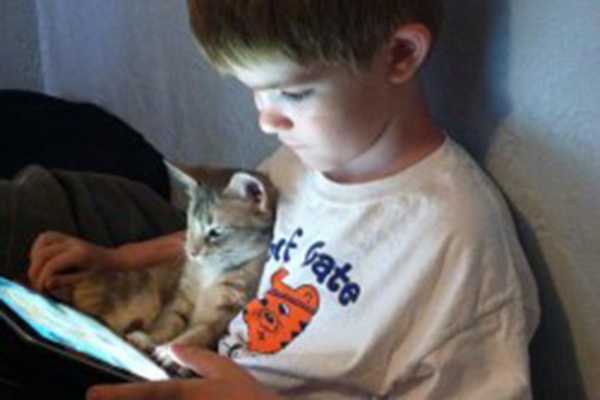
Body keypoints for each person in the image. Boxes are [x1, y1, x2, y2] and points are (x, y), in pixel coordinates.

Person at [29, 0, 541, 399]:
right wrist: (112, 259)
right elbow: (231, 240)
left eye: (293, 94)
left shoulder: (458, 239)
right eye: (253, 92)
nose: (266, 121)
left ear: (401, 54)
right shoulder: (299, 161)